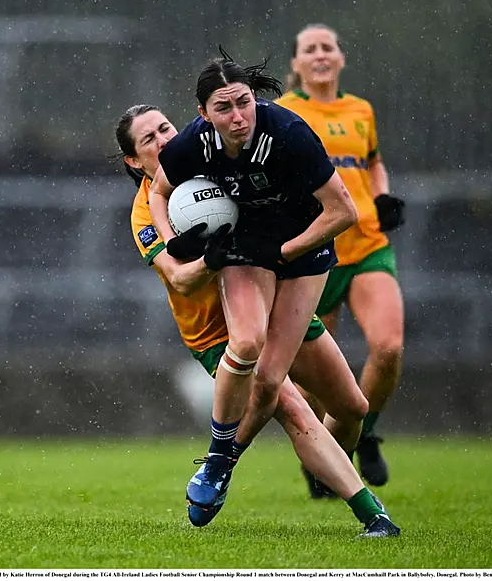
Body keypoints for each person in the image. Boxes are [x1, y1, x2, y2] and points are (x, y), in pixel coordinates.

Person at [116, 104, 400, 538]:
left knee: (351, 407)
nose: (164, 140)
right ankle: (372, 514)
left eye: (165, 128)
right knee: (290, 406)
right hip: (216, 332)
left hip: (276, 306)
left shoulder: (215, 167)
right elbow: (181, 280)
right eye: (149, 139)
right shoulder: (145, 213)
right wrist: (212, 255)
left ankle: (236, 462)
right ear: (134, 161)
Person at [148, 50, 359, 514]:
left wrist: (282, 252)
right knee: (259, 367)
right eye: (223, 108)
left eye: (243, 102)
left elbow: (344, 212)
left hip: (304, 251)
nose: (238, 116)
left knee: (352, 410)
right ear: (204, 114)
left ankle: (322, 470)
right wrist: (172, 242)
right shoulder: (192, 145)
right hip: (250, 253)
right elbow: (159, 192)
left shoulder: (288, 134)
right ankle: (221, 465)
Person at [276, 25, 406, 491]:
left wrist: (383, 194)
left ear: (341, 57)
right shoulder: (284, 112)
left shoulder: (360, 110)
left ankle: (363, 435)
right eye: (309, 49)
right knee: (313, 383)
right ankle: (326, 459)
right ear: (295, 65)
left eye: (327, 47)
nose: (319, 55)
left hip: (368, 245)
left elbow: (371, 161)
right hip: (315, 253)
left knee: (388, 348)